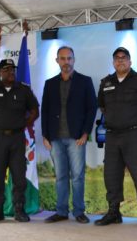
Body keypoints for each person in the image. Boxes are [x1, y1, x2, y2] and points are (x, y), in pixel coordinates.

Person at [95, 47, 137, 230]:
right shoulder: (106, 82)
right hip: (112, 135)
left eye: (124, 58)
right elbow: (102, 106)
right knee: (111, 175)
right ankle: (114, 212)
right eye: (117, 58)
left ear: (130, 62)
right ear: (113, 62)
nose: (120, 61)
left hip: (135, 135)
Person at [0, 59, 39, 224]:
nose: (11, 72)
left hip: (17, 138)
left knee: (19, 175)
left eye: (13, 69)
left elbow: (34, 111)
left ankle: (19, 209)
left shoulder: (23, 90)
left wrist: (24, 124)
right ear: (0, 73)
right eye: (7, 69)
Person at [41, 46, 97, 224]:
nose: (66, 62)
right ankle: (61, 212)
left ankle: (79, 211)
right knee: (61, 177)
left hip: (76, 138)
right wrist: (45, 136)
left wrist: (86, 133)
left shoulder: (85, 81)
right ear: (57, 61)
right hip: (55, 139)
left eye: (69, 58)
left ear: (74, 59)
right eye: (63, 58)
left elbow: (92, 108)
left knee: (78, 177)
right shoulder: (50, 83)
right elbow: (46, 110)